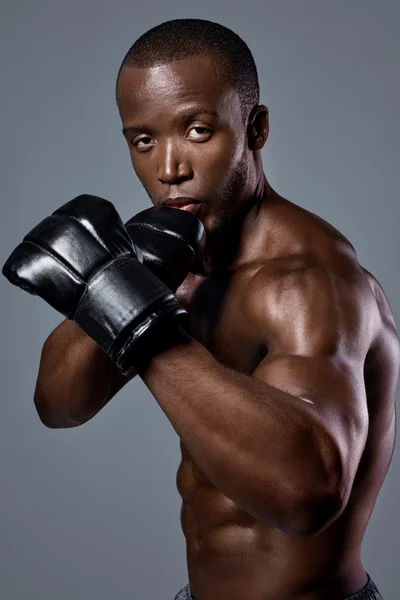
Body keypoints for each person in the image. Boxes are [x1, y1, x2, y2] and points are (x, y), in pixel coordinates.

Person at [3, 18, 398, 600]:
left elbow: (308, 493)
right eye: (144, 140)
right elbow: (57, 405)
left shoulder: (313, 284)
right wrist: (120, 284)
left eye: (196, 130)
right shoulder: (172, 261)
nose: (169, 169)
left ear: (255, 128)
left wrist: (138, 322)